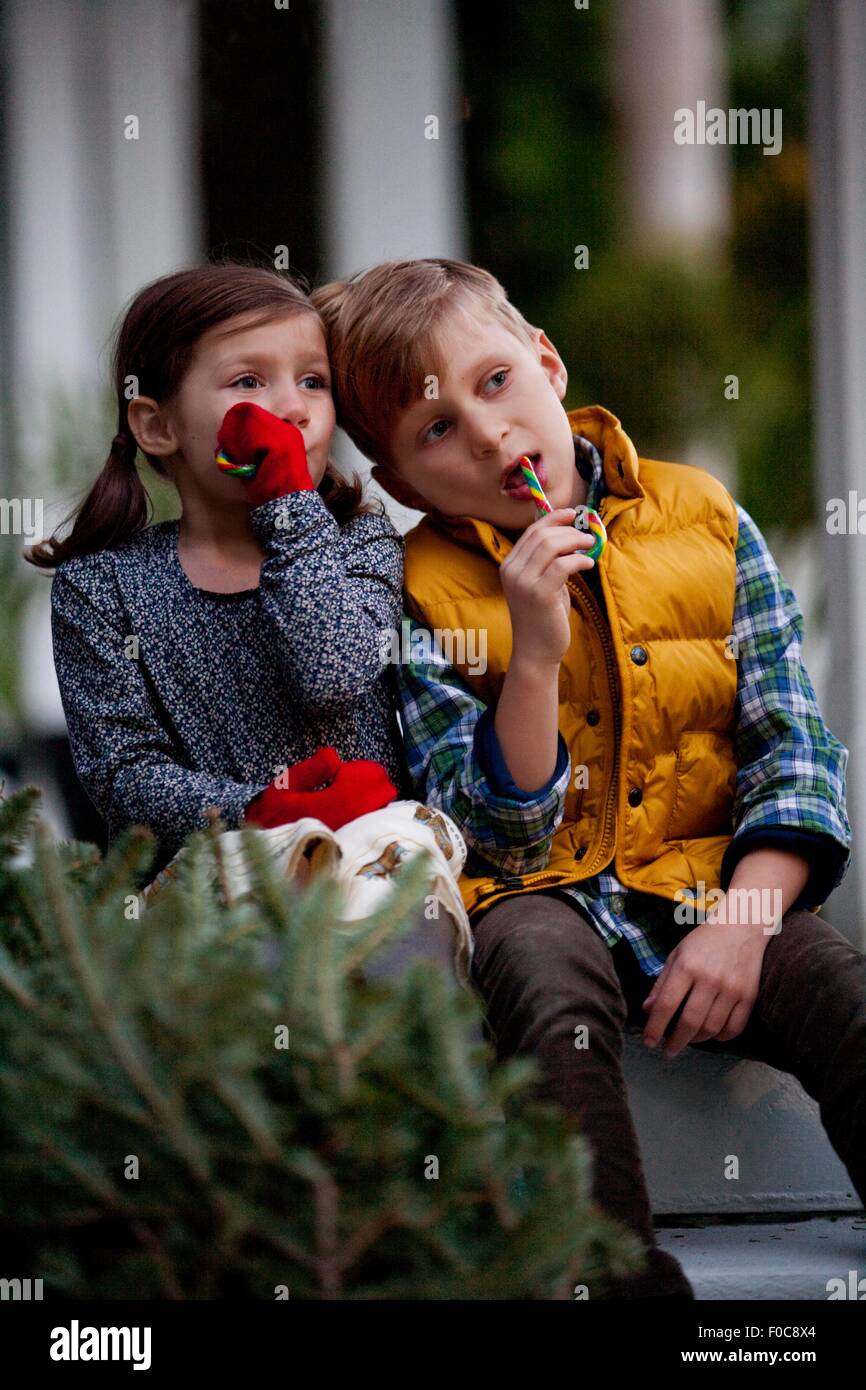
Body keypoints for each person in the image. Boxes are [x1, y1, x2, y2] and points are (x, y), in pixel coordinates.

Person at [311, 257, 864, 1299]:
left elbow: (792, 749)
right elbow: (494, 834)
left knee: (836, 985)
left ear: (545, 362)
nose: (484, 434)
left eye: (492, 383)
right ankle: (604, 1271)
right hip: (544, 892)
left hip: (714, 880)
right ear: (399, 483)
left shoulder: (702, 518)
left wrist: (744, 919)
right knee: (533, 972)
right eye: (433, 432)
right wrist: (529, 651)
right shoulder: (420, 586)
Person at [26, 264, 438, 947]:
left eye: (313, 381)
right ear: (157, 426)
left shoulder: (360, 541)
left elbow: (329, 671)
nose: (294, 407)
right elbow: (122, 773)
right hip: (206, 903)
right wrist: (255, 810)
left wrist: (286, 507)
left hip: (370, 882)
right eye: (249, 382)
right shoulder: (100, 588)